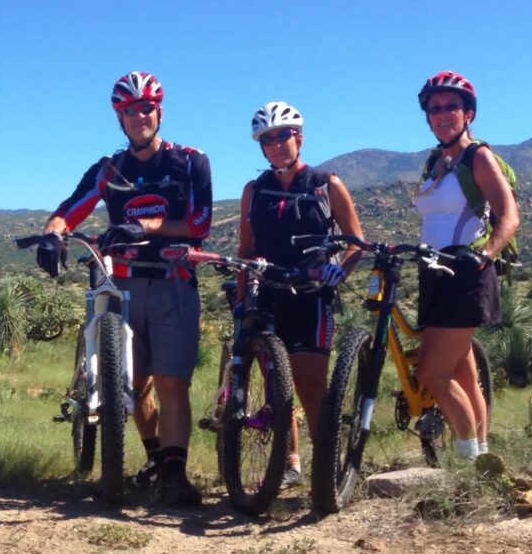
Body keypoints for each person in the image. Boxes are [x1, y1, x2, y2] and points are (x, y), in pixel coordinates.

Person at [45, 71, 215, 508]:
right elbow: (71, 208)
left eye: (146, 108)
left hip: (173, 284)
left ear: (159, 111)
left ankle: (175, 476)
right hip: (123, 286)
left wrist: (143, 226)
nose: (139, 116)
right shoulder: (110, 169)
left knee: (172, 383)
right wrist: (54, 234)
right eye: (129, 111)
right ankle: (157, 459)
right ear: (119, 118)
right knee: (134, 385)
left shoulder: (190, 162)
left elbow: (198, 225)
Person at [233, 101, 364, 486]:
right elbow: (245, 250)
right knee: (277, 383)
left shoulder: (327, 184)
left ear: (299, 138)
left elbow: (356, 242)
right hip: (269, 293)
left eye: (282, 136)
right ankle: (291, 463)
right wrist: (242, 300)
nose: (275, 144)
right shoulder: (254, 190)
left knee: (309, 382)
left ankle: (327, 465)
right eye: (267, 139)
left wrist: (339, 269)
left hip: (311, 294)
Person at [409, 70, 518, 462]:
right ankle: (484, 459)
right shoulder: (435, 161)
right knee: (463, 373)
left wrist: (486, 253)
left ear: (468, 114)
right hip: (434, 271)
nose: (442, 114)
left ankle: (466, 459)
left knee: (431, 374)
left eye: (451, 107)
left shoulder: (478, 157)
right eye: (434, 108)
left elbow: (509, 216)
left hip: (466, 271)